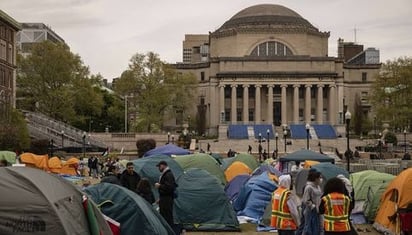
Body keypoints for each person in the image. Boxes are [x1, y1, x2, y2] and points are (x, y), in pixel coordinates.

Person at [296, 168, 323, 235]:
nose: (320, 179)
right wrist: (313, 206)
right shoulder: (308, 187)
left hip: (318, 210)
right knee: (308, 227)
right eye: (319, 178)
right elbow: (306, 200)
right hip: (310, 211)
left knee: (319, 227)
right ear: (315, 178)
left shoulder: (318, 187)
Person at [155, 160, 177, 231]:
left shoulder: (168, 174)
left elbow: (170, 187)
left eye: (159, 166)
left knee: (167, 216)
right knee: (164, 215)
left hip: (167, 199)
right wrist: (160, 198)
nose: (159, 168)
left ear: (163, 166)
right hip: (164, 198)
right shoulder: (166, 174)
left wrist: (159, 186)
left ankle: (169, 231)